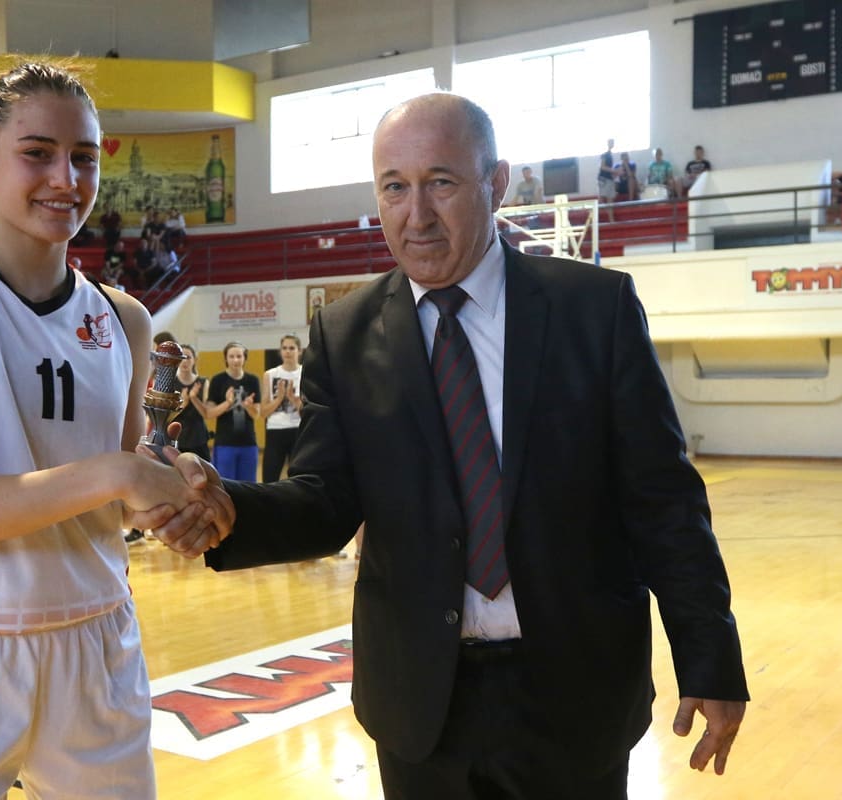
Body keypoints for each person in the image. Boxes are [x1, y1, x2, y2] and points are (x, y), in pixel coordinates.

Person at [153, 93, 749, 798]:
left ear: (496, 183)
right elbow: (326, 499)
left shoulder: (594, 309)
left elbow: (663, 502)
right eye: (394, 187)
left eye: (440, 182)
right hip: (420, 701)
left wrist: (709, 655)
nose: (417, 214)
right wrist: (231, 512)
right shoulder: (344, 334)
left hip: (575, 690)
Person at [0, 61, 230, 797]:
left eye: (84, 158)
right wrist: (120, 473)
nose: (66, 178)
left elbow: (119, 503)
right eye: (37, 153)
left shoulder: (125, 318)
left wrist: (175, 494)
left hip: (96, 636)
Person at [205, 341, 260, 482]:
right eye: (232, 356)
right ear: (226, 358)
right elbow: (209, 414)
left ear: (245, 358)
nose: (236, 360)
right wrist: (228, 403)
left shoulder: (252, 380)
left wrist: (248, 406)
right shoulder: (218, 380)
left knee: (248, 486)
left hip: (248, 443)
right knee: (226, 485)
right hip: (224, 443)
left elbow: (256, 414)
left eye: (239, 356)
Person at [259, 334, 302, 483]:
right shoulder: (270, 375)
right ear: (280, 351)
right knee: (270, 477)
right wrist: (279, 398)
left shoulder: (305, 373)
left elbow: (309, 412)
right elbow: (263, 412)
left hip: (298, 429)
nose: (288, 351)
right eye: (284, 348)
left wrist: (292, 399)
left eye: (291, 348)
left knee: (298, 476)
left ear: (299, 351)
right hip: (275, 429)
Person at [174, 344, 210, 462]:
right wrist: (183, 403)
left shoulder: (203, 382)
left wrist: (194, 398)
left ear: (195, 359)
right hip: (177, 436)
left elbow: (206, 413)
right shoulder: (172, 382)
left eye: (188, 357)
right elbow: (167, 415)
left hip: (198, 436)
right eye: (182, 357)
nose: (185, 361)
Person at [598, 138, 617, 221]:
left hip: (609, 179)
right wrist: (614, 171)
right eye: (610, 142)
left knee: (610, 200)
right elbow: (602, 167)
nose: (612, 144)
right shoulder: (605, 155)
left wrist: (615, 174)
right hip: (604, 179)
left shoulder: (610, 155)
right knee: (602, 199)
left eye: (613, 142)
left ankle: (611, 220)